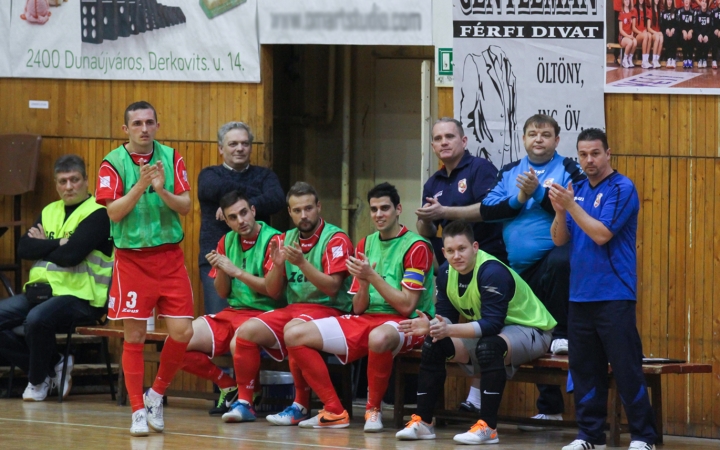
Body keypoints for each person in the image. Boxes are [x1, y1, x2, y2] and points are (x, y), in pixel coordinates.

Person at [285, 182, 435, 432]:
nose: (379, 215)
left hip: (409, 323)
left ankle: (372, 409)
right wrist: (364, 283)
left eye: (385, 208)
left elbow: (407, 306)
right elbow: (357, 307)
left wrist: (372, 276)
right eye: (374, 209)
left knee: (378, 337)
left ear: (398, 209)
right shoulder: (365, 244)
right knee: (294, 334)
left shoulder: (416, 246)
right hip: (368, 318)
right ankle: (334, 410)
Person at [395, 220, 556, 445]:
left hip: (533, 330)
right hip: (496, 331)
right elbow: (445, 317)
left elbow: (490, 324)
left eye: (462, 249)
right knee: (434, 343)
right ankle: (423, 422)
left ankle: (488, 427)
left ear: (475, 247)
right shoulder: (445, 272)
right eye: (450, 251)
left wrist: (445, 328)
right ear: (443, 252)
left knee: (489, 348)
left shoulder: (492, 272)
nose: (456, 256)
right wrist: (433, 327)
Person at [549, 128, 657, 450]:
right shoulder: (577, 189)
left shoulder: (622, 188)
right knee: (585, 371)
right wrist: (559, 211)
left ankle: (643, 437)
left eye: (595, 153)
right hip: (580, 295)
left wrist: (571, 205)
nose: (589, 160)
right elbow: (558, 239)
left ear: (608, 153)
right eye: (582, 154)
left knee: (626, 368)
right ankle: (589, 437)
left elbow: (601, 234)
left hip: (614, 294)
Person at [480, 114, 586, 427]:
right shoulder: (510, 170)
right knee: (534, 332)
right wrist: (521, 196)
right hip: (517, 270)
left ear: (557, 139)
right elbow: (488, 209)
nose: (538, 139)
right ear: (523, 138)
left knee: (560, 262)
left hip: (553, 261)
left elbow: (575, 205)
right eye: (532, 134)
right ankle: (550, 407)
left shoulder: (568, 168)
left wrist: (540, 193)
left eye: (545, 134)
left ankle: (564, 334)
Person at [96, 101, 194, 437]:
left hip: (169, 257)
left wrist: (161, 188)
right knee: (134, 336)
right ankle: (138, 409)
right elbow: (114, 213)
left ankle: (156, 395)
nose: (144, 128)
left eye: (149, 122)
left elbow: (185, 206)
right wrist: (139, 185)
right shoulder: (113, 162)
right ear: (126, 129)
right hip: (133, 261)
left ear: (157, 125)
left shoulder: (171, 156)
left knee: (183, 332)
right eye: (137, 123)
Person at [220, 181, 355, 424]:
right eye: (296, 210)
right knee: (246, 331)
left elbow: (333, 288)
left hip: (330, 309)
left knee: (294, 330)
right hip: (294, 310)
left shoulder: (336, 238)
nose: (303, 215)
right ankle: (245, 403)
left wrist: (303, 263)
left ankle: (308, 406)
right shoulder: (284, 239)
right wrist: (278, 265)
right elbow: (273, 292)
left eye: (308, 208)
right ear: (289, 212)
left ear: (318, 207)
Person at [0, 155, 113, 401]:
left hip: (82, 297)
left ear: (86, 181)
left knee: (36, 320)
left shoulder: (99, 213)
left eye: (74, 180)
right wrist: (59, 242)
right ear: (56, 184)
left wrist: (45, 245)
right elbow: (23, 250)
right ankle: (53, 364)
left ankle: (37, 381)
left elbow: (72, 255)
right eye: (63, 181)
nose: (69, 186)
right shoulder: (49, 210)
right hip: (41, 293)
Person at [179, 190, 283, 417]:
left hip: (266, 313)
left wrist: (236, 271)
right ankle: (228, 385)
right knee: (178, 340)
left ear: (253, 211)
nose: (241, 221)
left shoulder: (275, 240)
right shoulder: (225, 241)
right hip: (234, 311)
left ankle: (248, 399)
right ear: (226, 221)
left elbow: (273, 291)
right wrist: (224, 271)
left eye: (244, 213)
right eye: (233, 217)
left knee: (241, 341)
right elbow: (223, 291)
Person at [198, 121, 284, 314]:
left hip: (258, 260)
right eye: (233, 144)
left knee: (255, 319)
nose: (240, 149)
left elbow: (277, 199)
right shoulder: (209, 175)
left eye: (245, 144)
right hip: (217, 259)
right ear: (221, 149)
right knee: (219, 321)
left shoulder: (264, 175)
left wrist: (234, 202)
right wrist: (254, 198)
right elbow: (211, 188)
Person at [416, 117, 506, 266]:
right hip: (452, 252)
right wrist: (425, 220)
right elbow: (428, 232)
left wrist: (444, 212)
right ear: (433, 147)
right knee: (417, 245)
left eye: (449, 136)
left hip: (485, 250)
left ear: (464, 141)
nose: (444, 142)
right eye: (438, 139)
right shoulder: (433, 182)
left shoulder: (480, 167)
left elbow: (490, 209)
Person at [619, 0, 640, 68]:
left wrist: (632, 35)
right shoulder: (621, 13)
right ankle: (624, 60)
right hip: (623, 37)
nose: (627, 1)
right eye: (625, 0)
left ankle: (629, 59)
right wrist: (628, 36)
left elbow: (633, 27)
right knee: (630, 42)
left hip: (630, 35)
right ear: (623, 2)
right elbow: (621, 30)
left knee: (635, 42)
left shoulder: (632, 13)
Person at [633, 0, 652, 68]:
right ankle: (644, 61)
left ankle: (646, 60)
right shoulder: (635, 10)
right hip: (637, 36)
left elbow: (647, 26)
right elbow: (633, 27)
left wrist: (645, 31)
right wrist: (641, 33)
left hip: (645, 35)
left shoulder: (646, 10)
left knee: (649, 35)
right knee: (646, 35)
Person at [678, 0, 696, 69]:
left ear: (690, 2)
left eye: (688, 0)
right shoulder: (680, 12)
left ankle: (690, 58)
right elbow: (678, 25)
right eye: (685, 0)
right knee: (684, 38)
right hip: (682, 33)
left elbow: (695, 25)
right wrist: (683, 31)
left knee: (691, 37)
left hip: (691, 33)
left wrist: (691, 31)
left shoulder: (693, 12)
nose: (686, 1)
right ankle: (685, 58)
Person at [660, 0, 678, 68]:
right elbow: (661, 25)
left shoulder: (676, 11)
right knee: (666, 37)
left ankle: (673, 58)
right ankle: (668, 58)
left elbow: (678, 24)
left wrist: (674, 29)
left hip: (674, 31)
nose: (669, 2)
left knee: (674, 36)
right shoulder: (663, 12)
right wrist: (666, 29)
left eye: (670, 0)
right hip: (666, 31)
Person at [695, 0, 712, 67]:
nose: (704, 3)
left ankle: (704, 59)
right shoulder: (697, 14)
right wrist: (699, 34)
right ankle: (699, 59)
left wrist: (707, 35)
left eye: (705, 2)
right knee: (698, 41)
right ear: (700, 3)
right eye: (703, 2)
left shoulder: (710, 14)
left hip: (707, 35)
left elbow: (711, 27)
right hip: (699, 34)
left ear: (707, 4)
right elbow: (695, 26)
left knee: (707, 41)